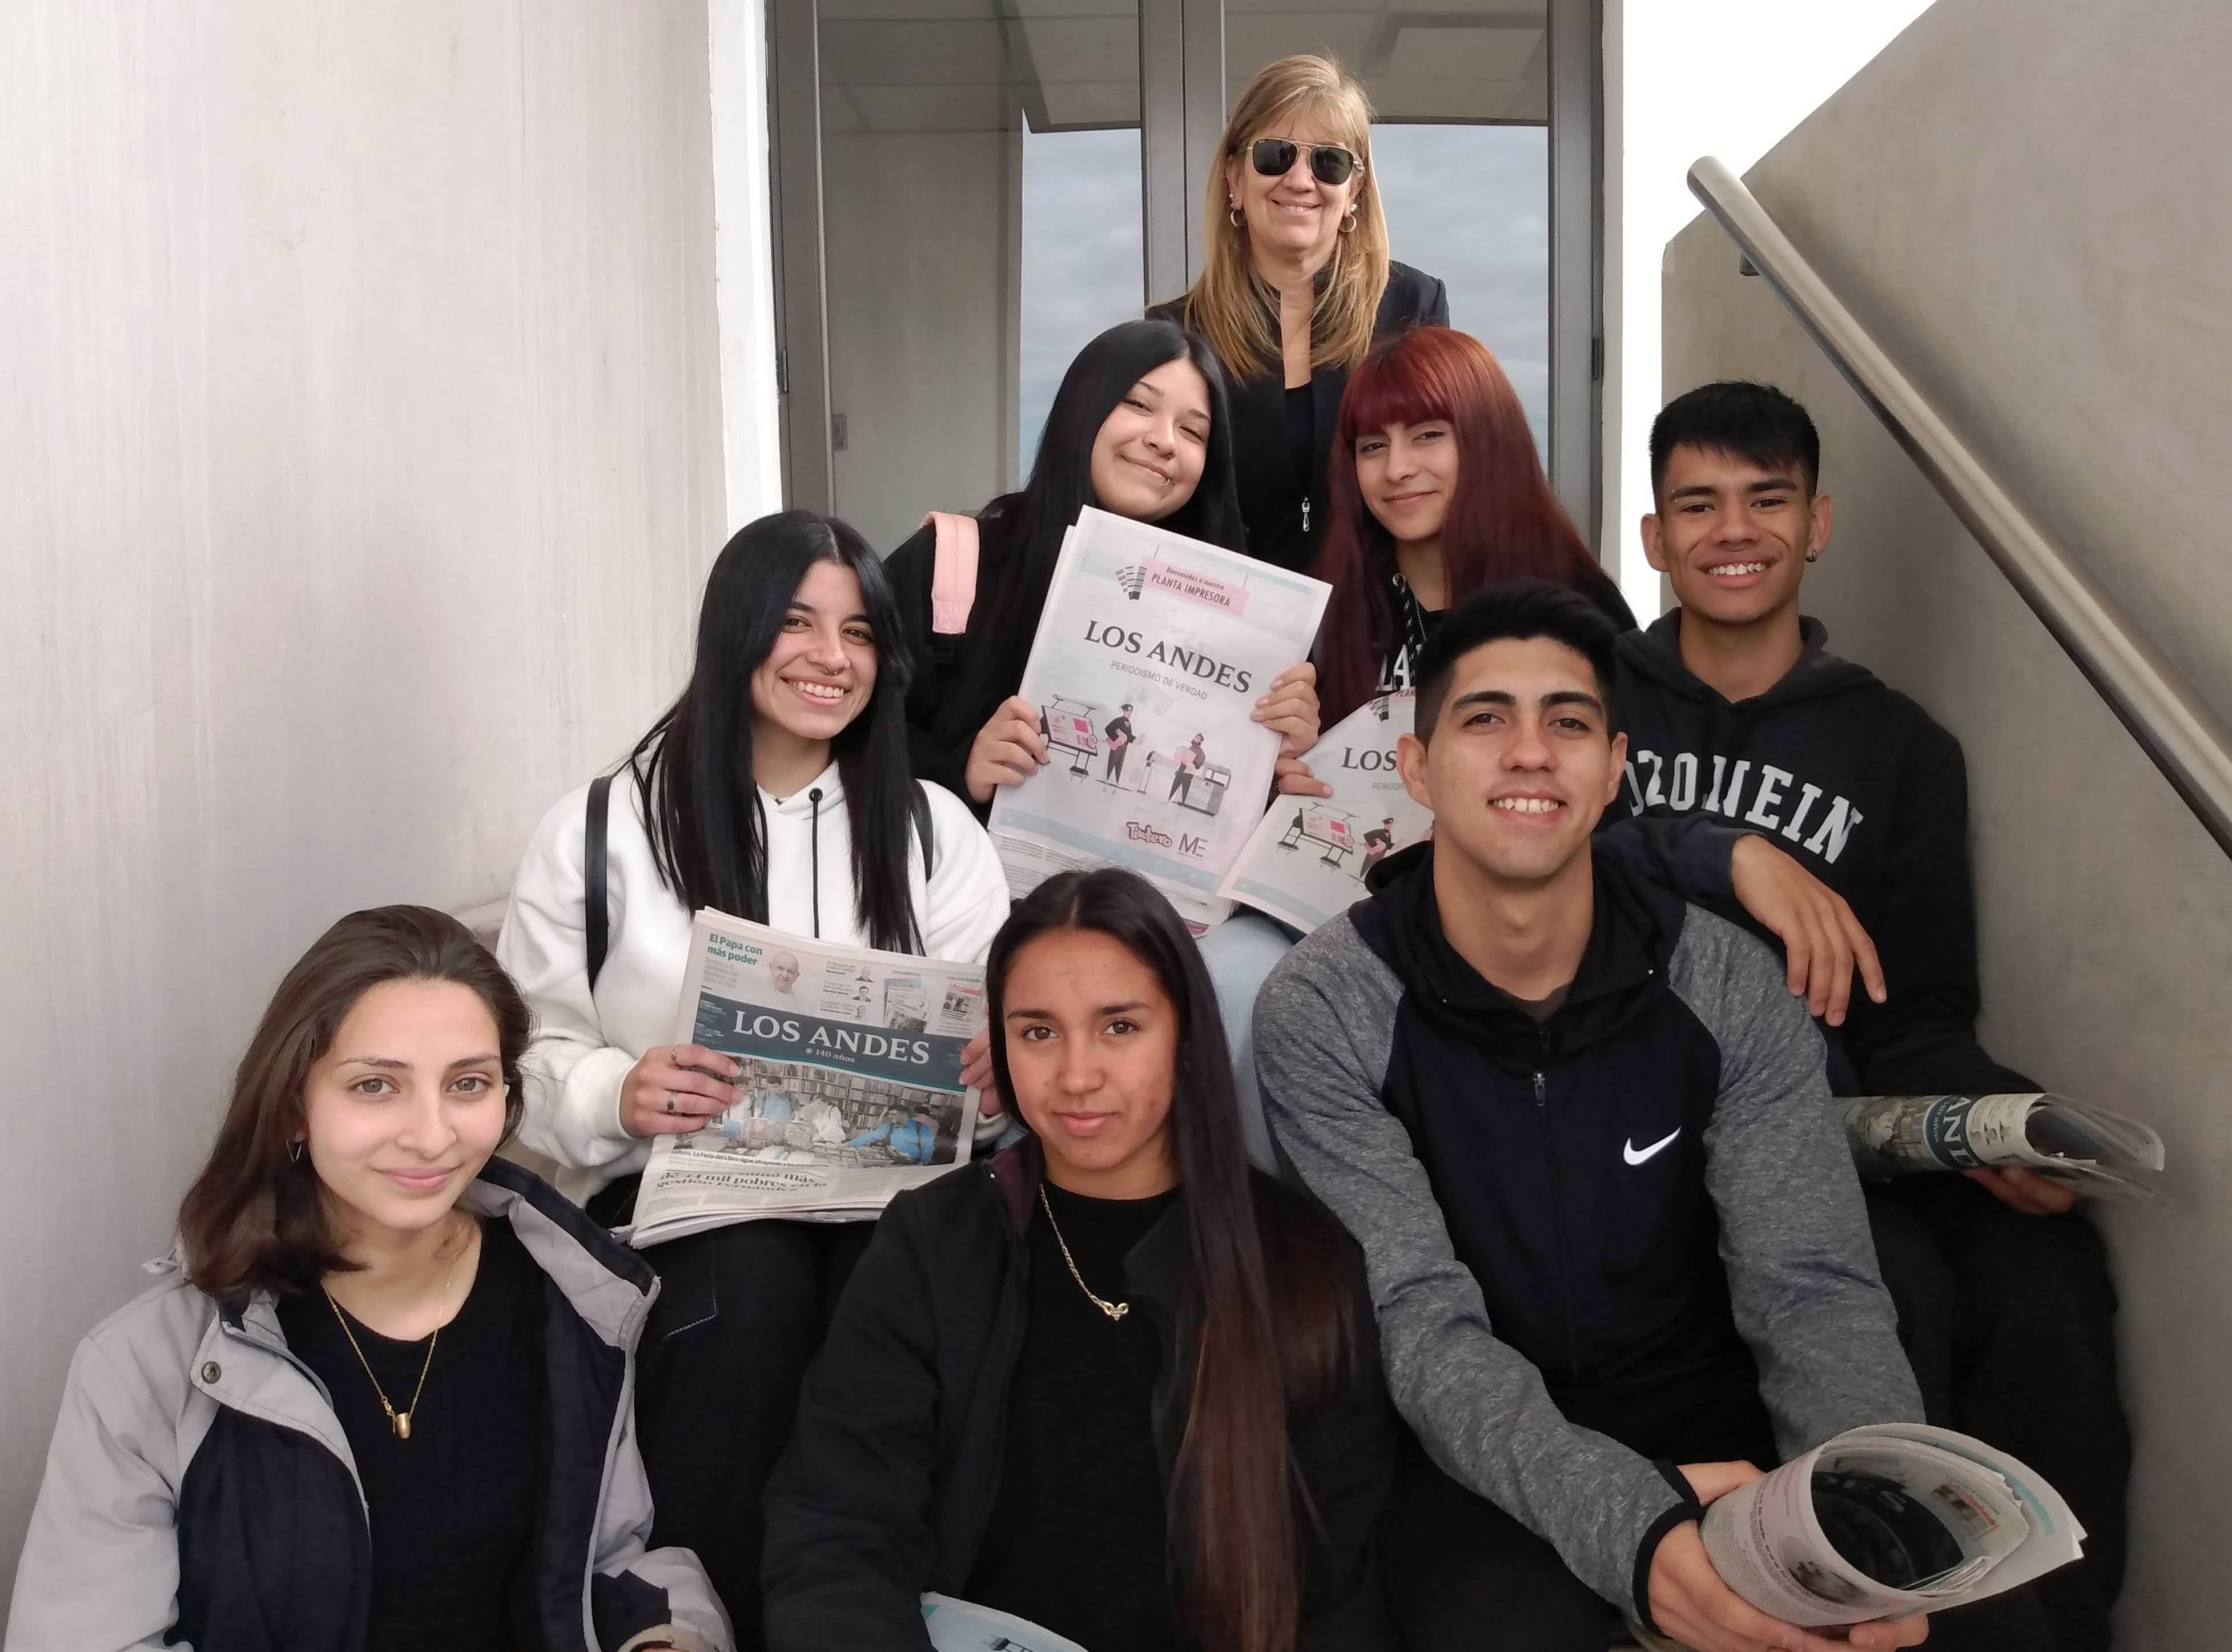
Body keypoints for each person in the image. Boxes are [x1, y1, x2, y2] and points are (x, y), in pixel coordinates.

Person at [1254, 584, 1930, 1652]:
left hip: (1708, 1412)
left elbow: (1808, 1286)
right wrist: (1637, 1523)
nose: (1529, 751)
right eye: (1484, 718)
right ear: (1417, 766)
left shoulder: (1722, 978)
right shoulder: (1326, 1004)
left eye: (1566, 721)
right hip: (1473, 1454)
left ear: (1614, 768)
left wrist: (1863, 1526)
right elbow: (1422, 1328)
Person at [1618, 379, 2129, 1650]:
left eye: (1764, 500)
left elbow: (1921, 1008)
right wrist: (1723, 850)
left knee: (2042, 1274)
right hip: (1649, 1110)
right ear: (1653, 538)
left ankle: (2042, 1622)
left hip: (1846, 1120)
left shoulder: (1899, 748)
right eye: (1697, 504)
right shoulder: (1592, 699)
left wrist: (1993, 1122)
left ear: (1816, 521)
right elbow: (1538, 847)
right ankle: (1880, 1608)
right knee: (1891, 1284)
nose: (1731, 530)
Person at [496, 509, 1011, 1645]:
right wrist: (618, 1091)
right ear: (734, 633)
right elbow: (518, 1059)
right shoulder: (604, 829)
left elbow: (1001, 1029)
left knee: (911, 1294)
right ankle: (715, 1615)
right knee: (748, 1291)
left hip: (896, 1199)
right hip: (686, 1205)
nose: (832, 657)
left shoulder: (934, 833)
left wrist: (998, 1065)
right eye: (796, 624)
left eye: (860, 633)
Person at [6, 905, 729, 1652]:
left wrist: (664, 1638)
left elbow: (610, 1561)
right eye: (374, 1086)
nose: (430, 1135)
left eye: (468, 1083)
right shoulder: (145, 1367)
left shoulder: (575, 1302)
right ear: (294, 1106)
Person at [764, 869, 1396, 1652]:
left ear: (1188, 1033)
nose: (1075, 1077)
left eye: (1119, 1027)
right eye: (1037, 1032)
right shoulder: (935, 1240)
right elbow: (837, 1526)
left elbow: (1334, 1597)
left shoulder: (1302, 1262)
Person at [885, 317, 1322, 816]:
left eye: (1193, 431)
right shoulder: (951, 562)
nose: (1165, 441)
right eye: (1138, 404)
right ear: (1082, 407)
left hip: (1147, 893)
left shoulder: (1237, 620)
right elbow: (843, 739)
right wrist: (960, 771)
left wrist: (1276, 752)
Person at [1152, 54, 1448, 573]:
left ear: (1353, 190)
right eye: (1275, 155)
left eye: (1328, 161)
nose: (1300, 180)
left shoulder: (1413, 307)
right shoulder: (1174, 336)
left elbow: (1444, 480)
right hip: (1224, 633)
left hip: (1380, 626)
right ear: (1234, 179)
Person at [1313, 325, 1635, 727]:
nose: (1396, 469)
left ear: (1487, 439)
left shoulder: (1576, 603)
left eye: (1427, 436)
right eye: (1373, 446)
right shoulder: (1327, 608)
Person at [1104, 702, 1136, 781]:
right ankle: (1107, 779)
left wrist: (1136, 740)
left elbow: (1129, 736)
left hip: (1124, 746)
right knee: (1112, 762)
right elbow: (1108, 729)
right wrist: (1116, 739)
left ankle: (1117, 781)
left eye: (1131, 711)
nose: (1130, 713)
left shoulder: (1129, 723)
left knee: (1120, 764)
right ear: (1124, 711)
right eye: (1128, 710)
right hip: (1117, 745)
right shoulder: (1118, 720)